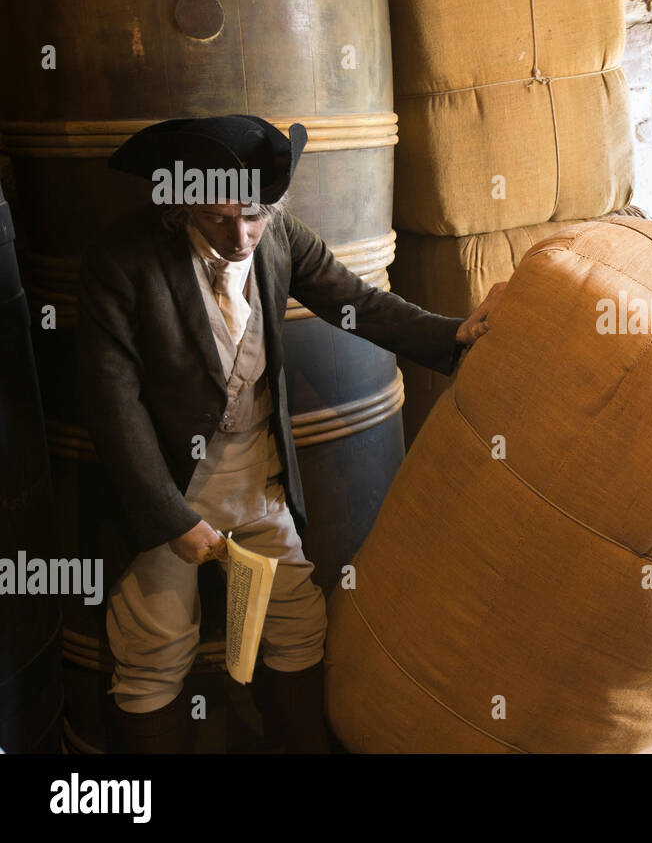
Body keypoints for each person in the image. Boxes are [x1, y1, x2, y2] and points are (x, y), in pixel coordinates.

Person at [77, 115, 504, 752]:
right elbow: (113, 406)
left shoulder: (278, 239)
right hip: (169, 492)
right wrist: (170, 518)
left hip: (258, 480)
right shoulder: (124, 259)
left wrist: (452, 334)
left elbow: (357, 301)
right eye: (221, 219)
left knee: (299, 627)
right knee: (155, 651)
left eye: (256, 215)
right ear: (182, 199)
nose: (243, 235)